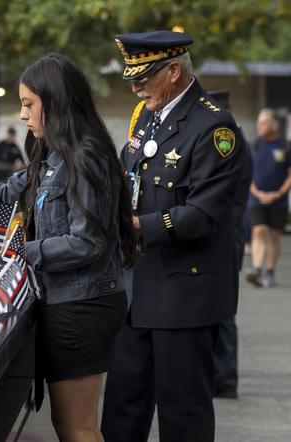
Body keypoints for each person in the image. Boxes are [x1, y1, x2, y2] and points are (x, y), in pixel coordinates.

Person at [0, 53, 138, 441]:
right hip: (68, 300)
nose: (22, 114)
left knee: (78, 426)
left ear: (55, 101)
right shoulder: (53, 153)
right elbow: (6, 194)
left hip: (82, 305)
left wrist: (17, 250)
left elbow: (89, 243)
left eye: (28, 103)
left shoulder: (86, 157)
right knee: (68, 424)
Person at [101, 31, 246, 442]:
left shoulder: (214, 126)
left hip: (185, 296)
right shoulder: (147, 116)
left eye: (143, 77)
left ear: (173, 71)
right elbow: (131, 181)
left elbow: (205, 213)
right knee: (122, 407)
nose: (135, 87)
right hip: (138, 289)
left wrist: (136, 227)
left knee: (183, 413)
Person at [208, 90, 253, 399]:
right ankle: (222, 376)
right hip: (230, 234)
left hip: (225, 237)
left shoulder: (226, 140)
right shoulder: (237, 140)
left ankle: (224, 378)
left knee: (222, 313)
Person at [245, 109, 291, 288]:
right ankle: (257, 269)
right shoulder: (255, 144)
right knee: (258, 230)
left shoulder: (285, 147)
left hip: (278, 200)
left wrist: (279, 194)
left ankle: (269, 271)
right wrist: (256, 193)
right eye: (258, 123)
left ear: (274, 126)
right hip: (256, 198)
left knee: (274, 235)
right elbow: (247, 172)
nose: (259, 127)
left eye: (263, 123)